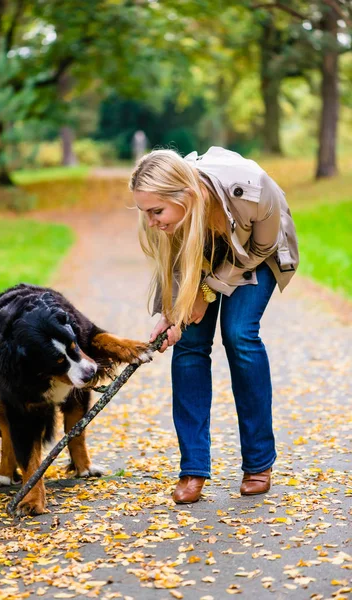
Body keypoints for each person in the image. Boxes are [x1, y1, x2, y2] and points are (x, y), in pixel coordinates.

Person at [129, 146, 299, 504]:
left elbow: (260, 248)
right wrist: (172, 315)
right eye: (146, 212)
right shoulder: (173, 219)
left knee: (239, 334)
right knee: (189, 344)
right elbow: (174, 266)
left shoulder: (254, 189)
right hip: (204, 256)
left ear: (186, 195)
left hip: (256, 253)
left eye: (156, 211)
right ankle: (193, 468)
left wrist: (206, 291)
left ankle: (258, 463)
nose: (151, 222)